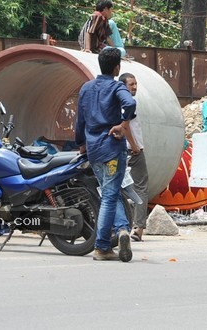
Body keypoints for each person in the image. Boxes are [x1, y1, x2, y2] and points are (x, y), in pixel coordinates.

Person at [75, 47, 136, 263]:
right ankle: (101, 246)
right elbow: (130, 103)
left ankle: (121, 230)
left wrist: (81, 143)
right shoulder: (116, 87)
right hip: (112, 148)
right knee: (110, 195)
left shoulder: (86, 88)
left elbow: (79, 119)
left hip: (93, 150)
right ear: (117, 67)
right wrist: (124, 124)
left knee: (110, 192)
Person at [120, 73, 148, 242]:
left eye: (136, 84)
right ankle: (138, 228)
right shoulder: (129, 102)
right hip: (133, 151)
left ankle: (119, 226)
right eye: (131, 84)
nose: (135, 87)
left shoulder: (113, 101)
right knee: (141, 188)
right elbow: (126, 126)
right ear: (123, 85)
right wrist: (135, 146)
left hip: (118, 151)